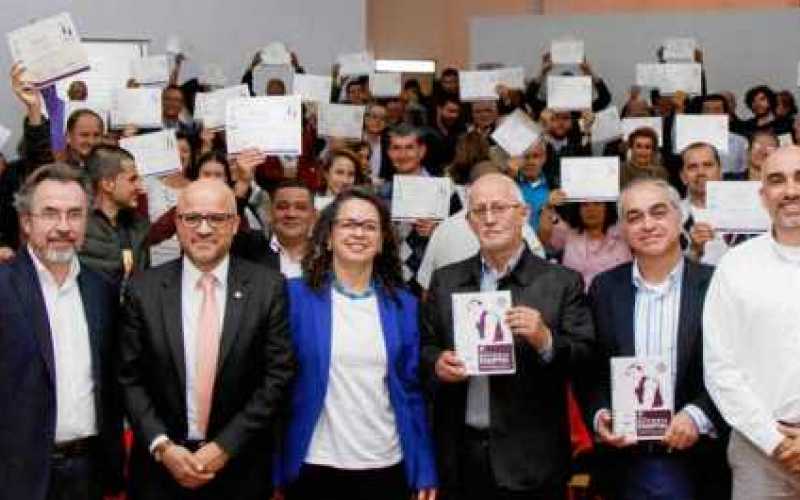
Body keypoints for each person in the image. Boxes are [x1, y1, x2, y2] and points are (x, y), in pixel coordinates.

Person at [118, 179, 296, 499]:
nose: (203, 229)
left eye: (216, 218)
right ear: (176, 223)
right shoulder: (142, 290)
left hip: (240, 469)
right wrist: (162, 446)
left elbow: (277, 376)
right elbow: (129, 377)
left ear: (236, 224)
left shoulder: (268, 288)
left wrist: (224, 447)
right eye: (192, 218)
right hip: (159, 472)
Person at [420, 173, 595, 499]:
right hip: (462, 456)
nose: (489, 218)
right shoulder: (446, 281)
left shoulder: (561, 282)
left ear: (523, 214)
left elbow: (585, 358)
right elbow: (425, 349)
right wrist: (437, 364)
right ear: (469, 222)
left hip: (533, 461)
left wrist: (546, 340)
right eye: (478, 210)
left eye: (499, 208)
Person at [276, 188, 437, 500]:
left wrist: (424, 467)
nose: (358, 233)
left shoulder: (405, 305)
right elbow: (276, 387)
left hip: (386, 464)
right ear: (328, 236)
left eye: (369, 227)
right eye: (348, 224)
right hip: (314, 463)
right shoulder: (292, 298)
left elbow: (412, 391)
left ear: (381, 242)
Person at [584, 178, 729, 499]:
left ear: (680, 219)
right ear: (622, 229)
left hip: (699, 459)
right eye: (634, 217)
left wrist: (697, 415)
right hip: (625, 461)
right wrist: (601, 415)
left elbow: (738, 365)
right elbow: (591, 369)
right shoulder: (604, 289)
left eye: (658, 212)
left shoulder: (719, 285)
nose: (647, 224)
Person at [0, 163, 124, 500]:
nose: (63, 227)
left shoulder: (102, 289)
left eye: (75, 214)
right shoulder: (3, 286)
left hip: (88, 472)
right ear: (27, 222)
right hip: (16, 475)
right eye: (50, 214)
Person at [703, 145, 800, 499]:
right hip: (759, 451)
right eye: (777, 180)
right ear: (763, 196)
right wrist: (774, 441)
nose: (790, 190)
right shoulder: (736, 266)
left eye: (799, 178)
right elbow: (719, 367)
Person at [82, 145, 150, 286]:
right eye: (132, 179)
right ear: (107, 184)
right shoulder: (78, 227)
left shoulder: (138, 225)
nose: (140, 187)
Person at [538, 195, 631, 291]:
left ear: (607, 207)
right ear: (577, 209)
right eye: (585, 205)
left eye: (597, 203)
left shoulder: (624, 233)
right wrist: (549, 206)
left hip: (616, 300)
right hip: (576, 301)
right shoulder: (568, 234)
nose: (591, 209)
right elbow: (543, 237)